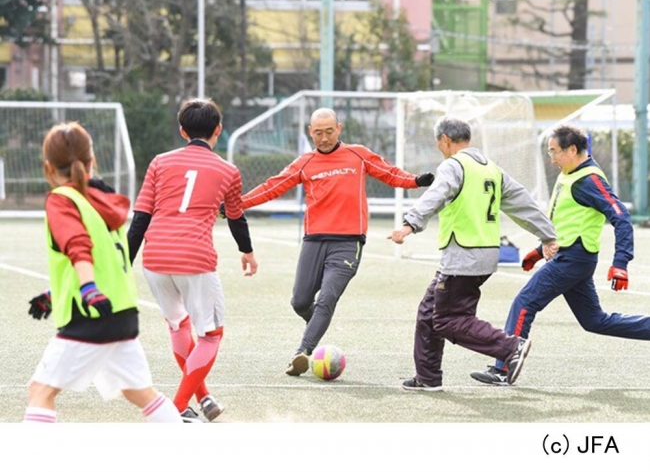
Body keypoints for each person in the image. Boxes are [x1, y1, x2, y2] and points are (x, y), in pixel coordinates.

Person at [242, 107, 434, 376]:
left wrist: (415, 181)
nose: (323, 138)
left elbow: (389, 173)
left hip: (348, 242)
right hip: (313, 241)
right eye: (318, 133)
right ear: (310, 132)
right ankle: (319, 323)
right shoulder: (305, 163)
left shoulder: (358, 155)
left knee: (327, 298)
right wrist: (239, 204)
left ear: (339, 129)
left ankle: (303, 352)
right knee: (299, 302)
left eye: (329, 132)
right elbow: (272, 186)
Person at [24, 122, 182, 423]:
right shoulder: (102, 200)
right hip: (121, 313)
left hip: (90, 315)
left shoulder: (63, 199)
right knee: (140, 393)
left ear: (48, 166)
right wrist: (55, 293)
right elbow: (103, 258)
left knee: (40, 391)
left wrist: (87, 290)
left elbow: (78, 246)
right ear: (92, 161)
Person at [471, 123, 650, 386]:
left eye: (554, 152)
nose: (551, 158)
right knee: (594, 321)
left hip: (573, 260)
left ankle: (503, 369)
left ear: (573, 149)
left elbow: (621, 216)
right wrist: (539, 251)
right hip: (571, 257)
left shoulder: (589, 180)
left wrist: (621, 262)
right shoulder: (571, 173)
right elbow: (567, 223)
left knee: (524, 303)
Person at [390, 115, 558, 391]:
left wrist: (410, 224)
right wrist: (547, 235)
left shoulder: (452, 166)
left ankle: (511, 347)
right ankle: (427, 377)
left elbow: (435, 195)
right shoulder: (491, 168)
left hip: (462, 256)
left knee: (448, 319)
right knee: (428, 312)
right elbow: (522, 203)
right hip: (483, 255)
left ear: (445, 140)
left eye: (438, 143)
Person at [127, 98, 258, 422]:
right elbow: (236, 217)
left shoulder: (159, 162)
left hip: (155, 258)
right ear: (218, 130)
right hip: (195, 260)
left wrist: (123, 263)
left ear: (183, 131)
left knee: (179, 325)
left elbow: (140, 218)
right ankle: (176, 409)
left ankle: (203, 399)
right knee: (211, 336)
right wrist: (247, 252)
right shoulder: (228, 170)